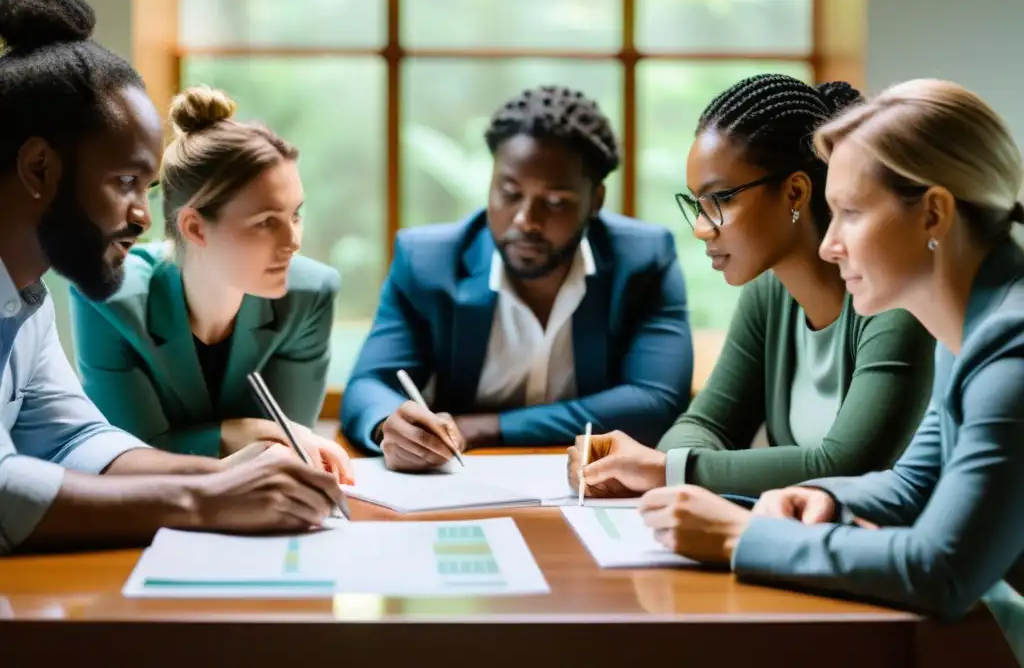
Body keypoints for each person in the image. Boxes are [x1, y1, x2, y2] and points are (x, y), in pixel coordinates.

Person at [635, 79, 1024, 663]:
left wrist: (738, 536)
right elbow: (912, 484)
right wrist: (815, 498)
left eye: (849, 213)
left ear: (934, 214)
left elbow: (943, 570)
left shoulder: (1010, 349)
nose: (829, 244)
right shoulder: (970, 331)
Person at [0, 0, 342, 555]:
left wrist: (226, 474)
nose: (141, 215)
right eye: (125, 183)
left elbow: (74, 440)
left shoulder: (25, 299)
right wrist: (205, 502)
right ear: (40, 167)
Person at [569, 74, 935, 500]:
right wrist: (657, 469)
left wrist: (665, 469)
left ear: (795, 192)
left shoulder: (894, 300)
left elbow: (846, 465)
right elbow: (705, 425)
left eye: (720, 200)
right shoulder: (769, 293)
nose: (702, 229)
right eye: (696, 206)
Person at [342, 85, 693, 470]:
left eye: (555, 202)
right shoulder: (428, 262)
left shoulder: (642, 260)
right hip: (460, 484)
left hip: (588, 485)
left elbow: (653, 402)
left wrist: (484, 427)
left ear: (595, 201)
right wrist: (388, 425)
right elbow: (368, 387)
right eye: (509, 193)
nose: (526, 220)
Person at [69, 85, 352, 481]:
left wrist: (252, 442)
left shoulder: (310, 293)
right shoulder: (109, 295)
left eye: (295, 215)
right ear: (195, 227)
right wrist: (241, 432)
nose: (293, 241)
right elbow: (129, 456)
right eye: (266, 221)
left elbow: (286, 447)